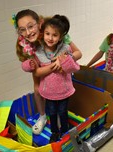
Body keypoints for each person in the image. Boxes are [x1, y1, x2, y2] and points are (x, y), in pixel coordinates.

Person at [14, 9, 82, 135]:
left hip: (59, 72)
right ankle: (42, 116)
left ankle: (61, 121)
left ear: (39, 23)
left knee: (60, 104)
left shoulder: (53, 29)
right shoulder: (25, 42)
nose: (28, 32)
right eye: (22, 29)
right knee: (37, 87)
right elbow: (36, 72)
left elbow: (78, 53)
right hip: (40, 61)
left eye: (30, 26)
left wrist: (63, 60)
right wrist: (33, 65)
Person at [33, 14, 80, 143]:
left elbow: (75, 65)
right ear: (43, 33)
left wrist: (63, 59)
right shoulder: (38, 51)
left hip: (64, 89)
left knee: (62, 111)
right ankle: (54, 132)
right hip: (49, 91)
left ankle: (64, 130)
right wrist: (28, 64)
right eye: (47, 34)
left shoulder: (65, 48)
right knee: (52, 112)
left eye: (54, 35)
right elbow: (35, 70)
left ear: (60, 37)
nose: (50, 38)